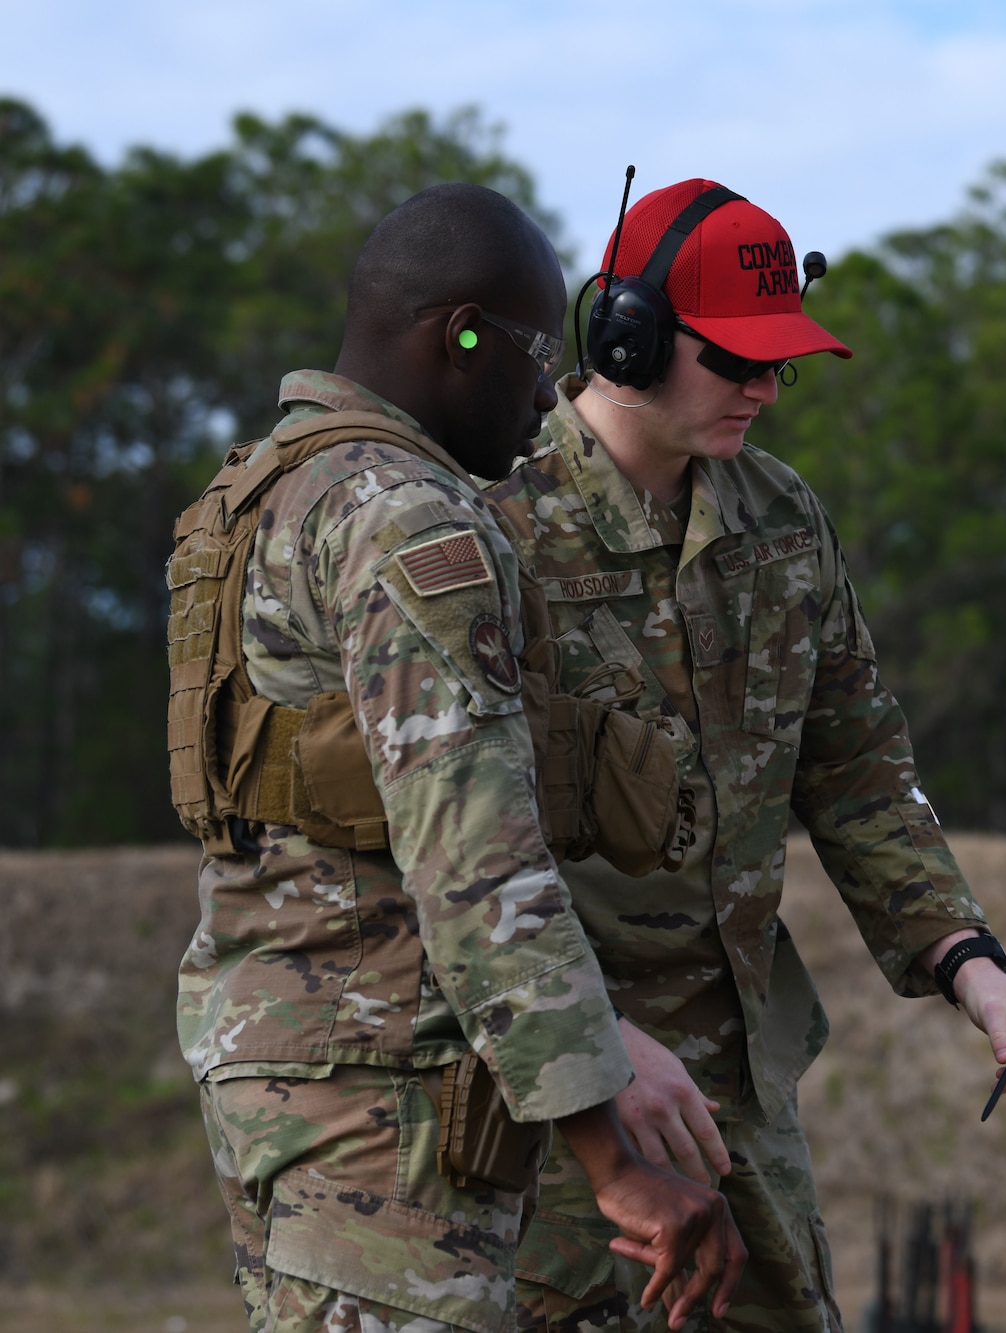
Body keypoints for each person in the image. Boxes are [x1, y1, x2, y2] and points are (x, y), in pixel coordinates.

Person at [485, 179, 1006, 1332]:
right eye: (735, 359)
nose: (762, 389)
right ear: (627, 339)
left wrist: (966, 958)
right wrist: (580, 1043)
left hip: (738, 1090)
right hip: (554, 1095)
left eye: (778, 365)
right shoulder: (491, 521)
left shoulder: (781, 518)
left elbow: (853, 763)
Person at [168, 183, 745, 1333]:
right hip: (387, 1108)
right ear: (459, 335)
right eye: (535, 357)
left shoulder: (262, 491)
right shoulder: (406, 516)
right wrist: (612, 1154)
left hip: (289, 1068)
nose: (550, 393)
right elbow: (475, 852)